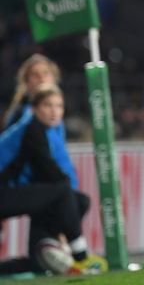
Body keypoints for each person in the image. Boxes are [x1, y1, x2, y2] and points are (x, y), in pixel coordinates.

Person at [0, 83, 106, 275]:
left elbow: (45, 174)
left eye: (59, 106)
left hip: (9, 189)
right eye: (48, 105)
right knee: (65, 192)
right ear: (34, 109)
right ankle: (80, 255)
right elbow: (49, 170)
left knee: (77, 199)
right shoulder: (32, 129)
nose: (54, 111)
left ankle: (46, 248)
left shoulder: (41, 130)